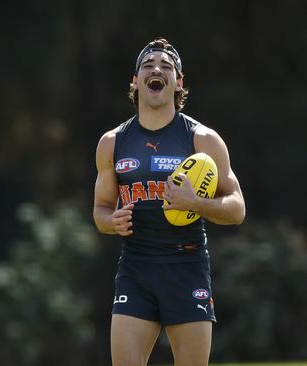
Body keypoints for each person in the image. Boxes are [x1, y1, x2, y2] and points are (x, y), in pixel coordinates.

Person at [93, 37, 245, 366]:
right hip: (136, 267)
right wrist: (111, 221)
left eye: (166, 66)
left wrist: (197, 203)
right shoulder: (112, 143)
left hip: (186, 267)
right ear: (135, 81)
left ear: (179, 83)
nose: (156, 69)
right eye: (147, 66)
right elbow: (100, 211)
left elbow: (237, 208)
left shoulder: (203, 140)